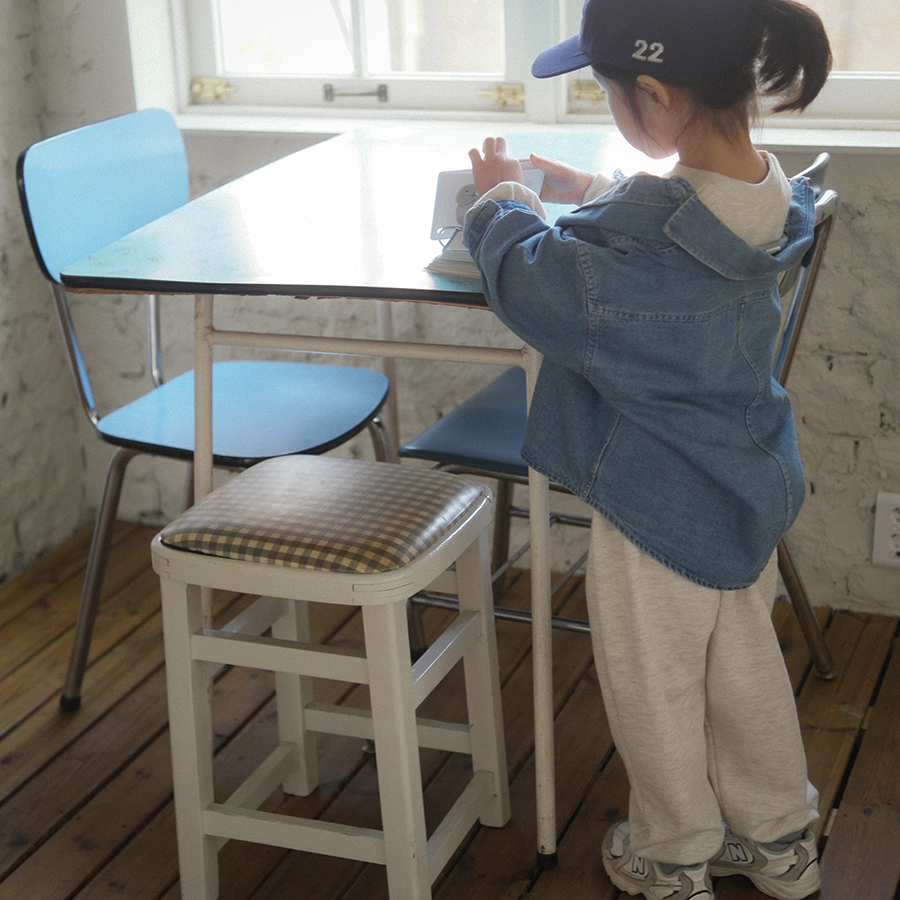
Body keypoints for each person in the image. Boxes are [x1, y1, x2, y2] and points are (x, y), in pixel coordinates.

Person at [462, 1, 832, 898]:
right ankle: (779, 840)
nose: (612, 105)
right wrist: (594, 189)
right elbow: (681, 234)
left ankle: (671, 855)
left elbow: (538, 284)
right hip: (743, 482)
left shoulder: (634, 250)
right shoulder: (771, 191)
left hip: (653, 502)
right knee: (743, 672)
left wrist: (502, 200)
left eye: (609, 90)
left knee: (653, 685)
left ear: (657, 95)